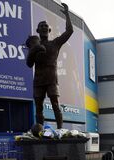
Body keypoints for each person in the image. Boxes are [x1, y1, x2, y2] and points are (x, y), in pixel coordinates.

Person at [26, 3, 73, 133]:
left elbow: (69, 31)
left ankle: (60, 131)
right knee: (39, 108)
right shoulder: (34, 45)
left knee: (55, 105)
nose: (44, 27)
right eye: (41, 26)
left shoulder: (55, 43)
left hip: (52, 79)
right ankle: (39, 132)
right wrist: (33, 51)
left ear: (49, 30)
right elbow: (29, 64)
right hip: (39, 81)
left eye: (46, 26)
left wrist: (67, 14)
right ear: (38, 30)